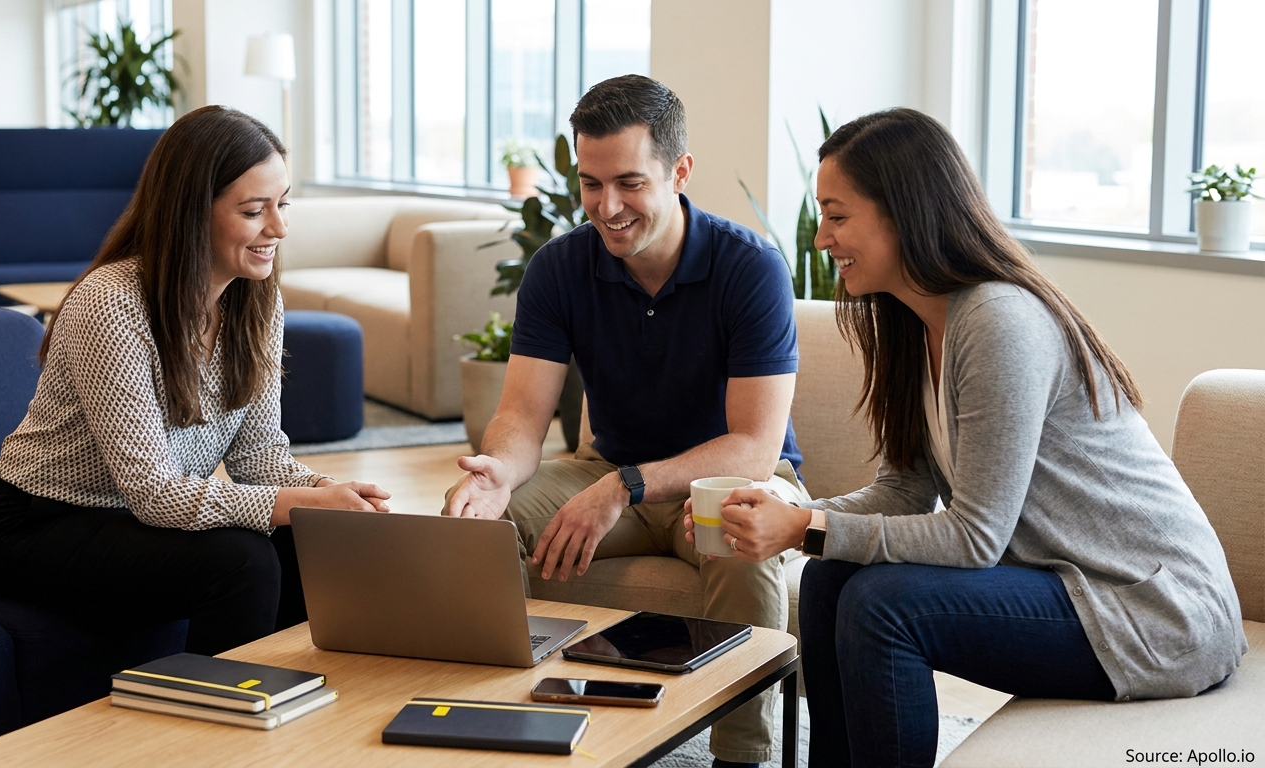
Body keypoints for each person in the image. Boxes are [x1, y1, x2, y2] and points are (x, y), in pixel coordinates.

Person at [690, 108, 1246, 767]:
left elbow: (974, 538)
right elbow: (905, 492)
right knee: (830, 578)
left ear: (901, 211)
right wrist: (789, 518)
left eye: (837, 216)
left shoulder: (998, 320)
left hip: (1150, 608)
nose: (820, 240)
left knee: (881, 604)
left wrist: (804, 524)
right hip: (1071, 586)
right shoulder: (911, 322)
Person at [444, 75, 808, 767]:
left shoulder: (749, 267)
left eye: (630, 183)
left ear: (680, 171)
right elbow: (522, 414)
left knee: (739, 534)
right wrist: (496, 471)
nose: (607, 208)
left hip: (726, 478)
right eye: (590, 183)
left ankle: (740, 756)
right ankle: (505, 726)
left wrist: (623, 488)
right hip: (610, 466)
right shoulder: (558, 269)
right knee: (478, 522)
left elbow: (755, 448)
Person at [0, 106, 391, 657]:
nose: (279, 228)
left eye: (282, 204)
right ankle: (221, 722)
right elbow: (154, 493)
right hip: (41, 523)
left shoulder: (258, 302)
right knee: (244, 561)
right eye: (253, 211)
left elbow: (260, 457)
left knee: (313, 543)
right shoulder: (112, 304)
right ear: (193, 211)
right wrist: (299, 504)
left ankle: (298, 706)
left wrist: (328, 498)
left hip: (134, 516)